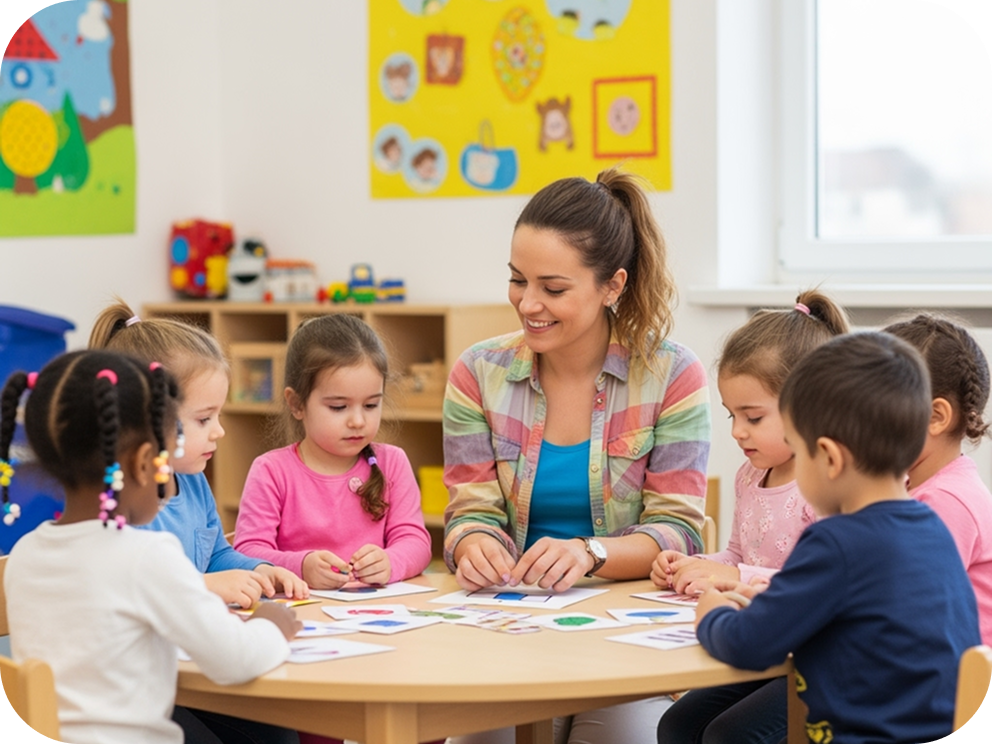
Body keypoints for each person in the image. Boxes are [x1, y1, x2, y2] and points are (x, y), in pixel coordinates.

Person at [443, 167, 711, 744]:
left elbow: (679, 532)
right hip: (502, 631)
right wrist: (475, 544)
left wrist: (590, 553)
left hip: (622, 640)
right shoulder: (477, 374)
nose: (528, 303)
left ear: (612, 285)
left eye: (553, 288)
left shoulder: (672, 375)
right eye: (518, 280)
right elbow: (469, 512)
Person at [694, 331, 981, 744]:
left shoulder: (836, 542)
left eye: (797, 448)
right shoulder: (929, 526)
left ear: (829, 457)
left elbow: (747, 645)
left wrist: (711, 614)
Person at [1, 350, 301, 744]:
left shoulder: (24, 555)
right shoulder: (146, 556)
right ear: (145, 462)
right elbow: (234, 660)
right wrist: (271, 626)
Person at [89, 300, 308, 744]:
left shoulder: (192, 483)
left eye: (219, 415)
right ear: (146, 421)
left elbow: (216, 555)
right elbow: (135, 589)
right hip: (137, 685)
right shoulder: (116, 503)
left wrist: (257, 570)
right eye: (205, 419)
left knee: (279, 733)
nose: (219, 431)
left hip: (187, 668)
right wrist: (208, 587)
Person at [652, 291, 848, 744]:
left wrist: (728, 574)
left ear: (811, 404)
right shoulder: (750, 474)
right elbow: (741, 553)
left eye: (753, 417)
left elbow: (813, 586)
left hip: (813, 656)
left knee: (729, 736)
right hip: (766, 642)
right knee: (677, 723)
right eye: (732, 415)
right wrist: (696, 565)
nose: (738, 431)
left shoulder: (825, 485)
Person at [232, 313, 434, 744]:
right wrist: (301, 566)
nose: (358, 421)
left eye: (371, 405)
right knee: (318, 729)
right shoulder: (272, 471)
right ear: (296, 403)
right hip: (308, 635)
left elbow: (415, 541)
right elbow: (247, 552)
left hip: (383, 628)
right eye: (339, 407)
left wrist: (390, 562)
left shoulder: (392, 461)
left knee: (421, 716)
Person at [884, 312, 992, 643]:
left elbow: (908, 609)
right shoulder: (913, 488)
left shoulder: (943, 502)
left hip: (952, 687)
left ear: (935, 417)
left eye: (872, 411)